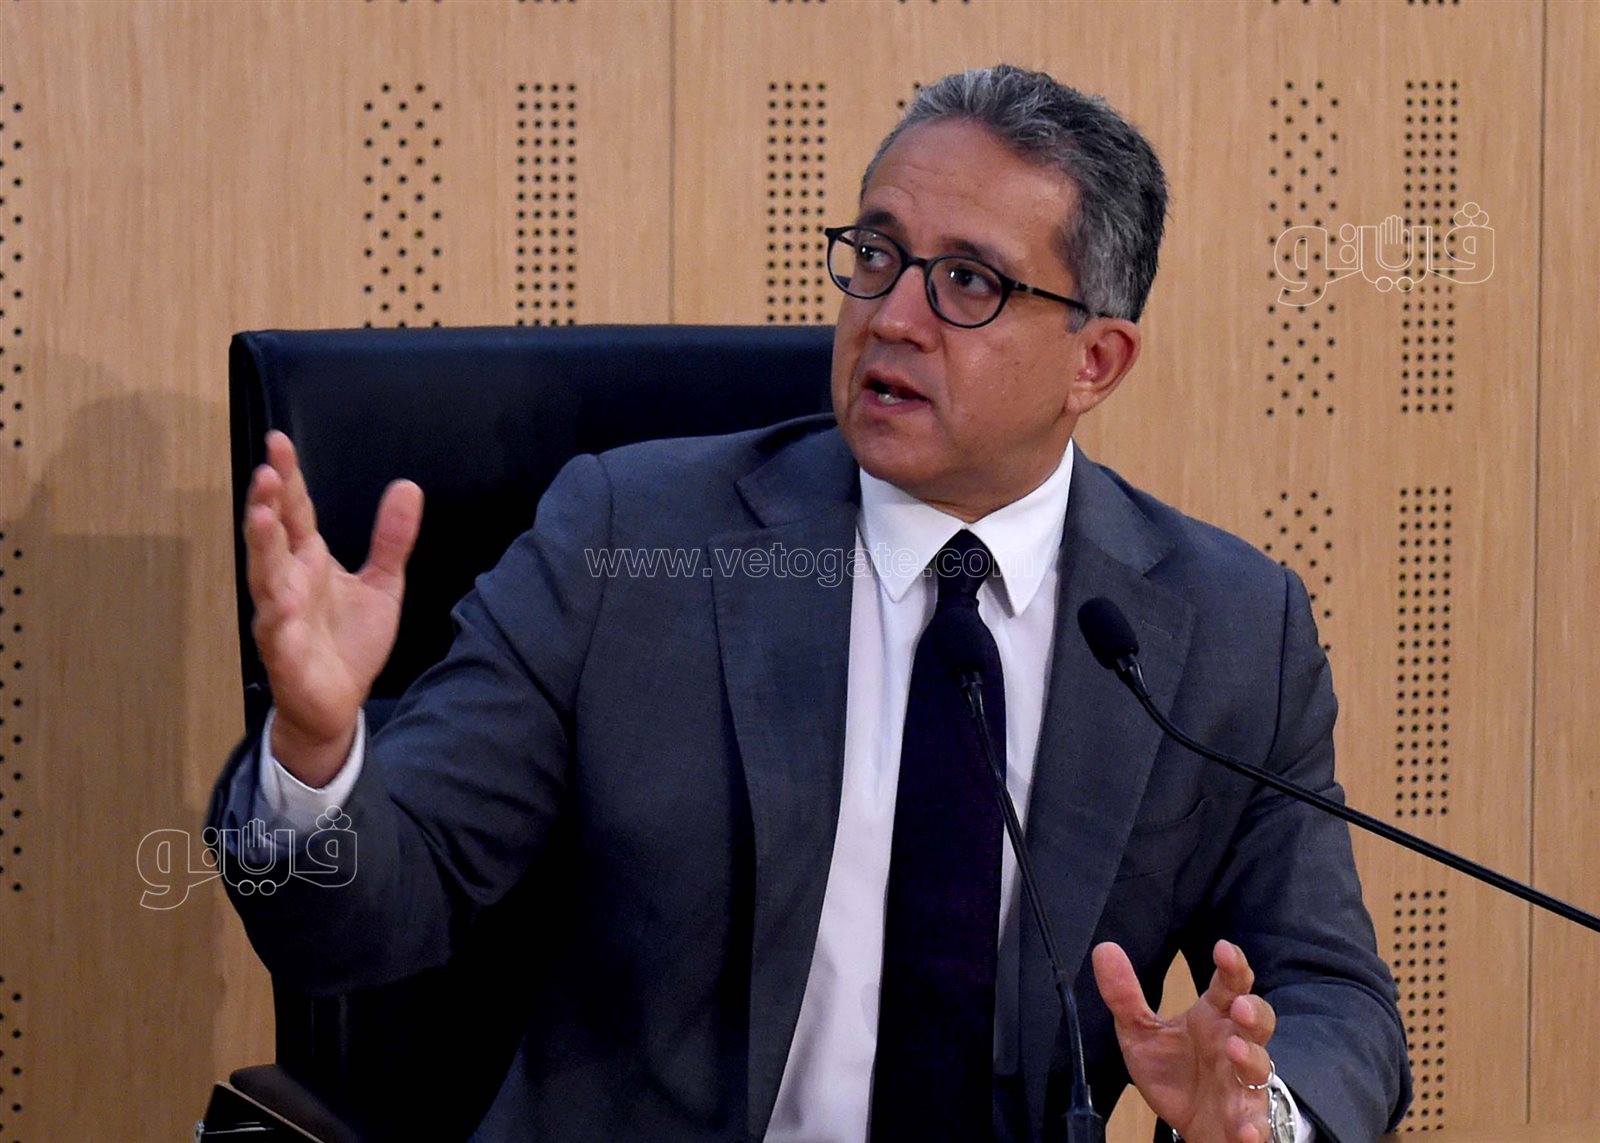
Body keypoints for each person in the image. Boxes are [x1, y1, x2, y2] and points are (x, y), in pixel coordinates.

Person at [214, 65, 1410, 1142]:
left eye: (966, 283)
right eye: (877, 256)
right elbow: (367, 920)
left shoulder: (1227, 629)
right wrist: (316, 751)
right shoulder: (631, 543)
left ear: (1093, 363)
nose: (891, 317)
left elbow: (1332, 994)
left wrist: (1264, 1115)